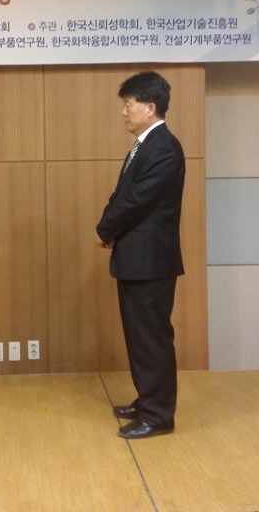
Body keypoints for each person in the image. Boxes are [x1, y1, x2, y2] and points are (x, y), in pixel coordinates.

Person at [95, 71, 185, 439]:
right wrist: (111, 230)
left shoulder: (163, 147)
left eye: (128, 105)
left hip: (151, 262)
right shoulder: (146, 145)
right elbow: (123, 196)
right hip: (137, 259)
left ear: (150, 108)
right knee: (139, 337)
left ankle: (159, 416)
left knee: (152, 339)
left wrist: (105, 230)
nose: (124, 112)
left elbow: (136, 201)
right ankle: (147, 400)